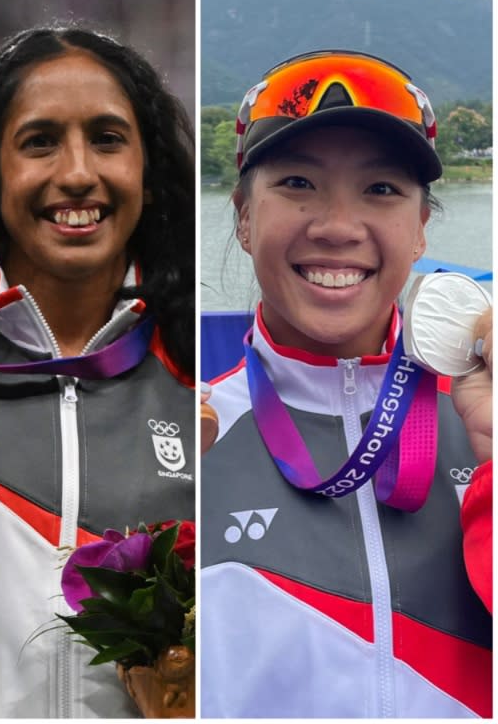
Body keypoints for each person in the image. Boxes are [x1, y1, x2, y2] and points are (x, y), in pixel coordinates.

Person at [0, 26, 196, 717]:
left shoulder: (200, 379)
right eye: (39, 142)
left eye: (108, 138)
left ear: (148, 179)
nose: (77, 173)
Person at [200, 50, 492, 718]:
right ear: (244, 218)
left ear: (421, 229)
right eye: (298, 182)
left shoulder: (483, 426)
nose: (336, 226)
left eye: (381, 189)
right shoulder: (200, 433)